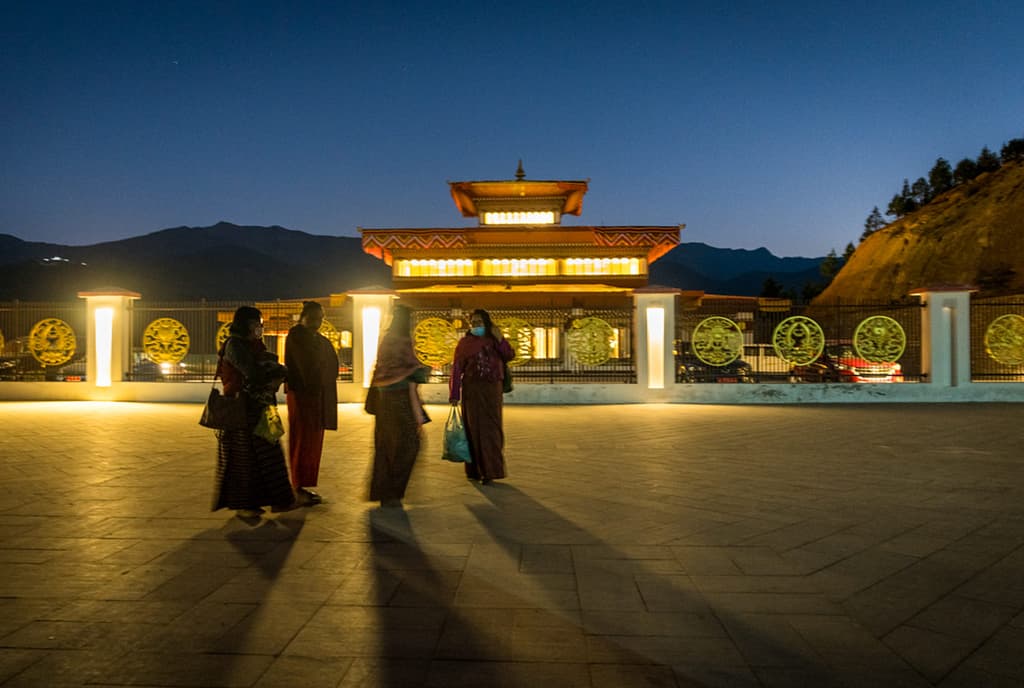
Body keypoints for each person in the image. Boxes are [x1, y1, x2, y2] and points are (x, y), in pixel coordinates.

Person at [212, 306, 295, 519]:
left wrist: (277, 370)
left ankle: (279, 500)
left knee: (272, 453)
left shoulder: (254, 345)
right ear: (248, 324)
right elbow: (253, 372)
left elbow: (270, 365)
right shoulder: (235, 346)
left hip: (265, 406)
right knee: (244, 458)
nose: (261, 327)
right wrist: (275, 370)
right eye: (258, 323)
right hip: (243, 409)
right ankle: (245, 505)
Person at [367, 305, 430, 507]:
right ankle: (394, 490)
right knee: (409, 445)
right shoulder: (404, 343)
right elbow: (413, 378)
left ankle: (381, 490)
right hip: (401, 400)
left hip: (383, 401)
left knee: (385, 445)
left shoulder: (385, 341)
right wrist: (418, 413)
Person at [448, 308, 514, 484]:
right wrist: (454, 393)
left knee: (492, 430)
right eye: (473, 323)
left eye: (479, 322)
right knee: (474, 429)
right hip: (472, 391)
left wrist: (500, 339)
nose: (476, 325)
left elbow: (509, 355)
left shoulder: (494, 341)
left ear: (487, 324)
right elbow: (456, 369)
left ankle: (491, 470)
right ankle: (476, 470)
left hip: (492, 391)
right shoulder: (465, 344)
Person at [285, 301, 339, 505]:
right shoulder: (296, 337)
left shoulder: (320, 340)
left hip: (318, 398)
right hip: (302, 397)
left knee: (313, 443)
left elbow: (332, 364)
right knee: (302, 440)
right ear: (303, 317)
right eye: (314, 317)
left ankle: (305, 484)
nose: (318, 322)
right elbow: (305, 366)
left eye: (321, 317)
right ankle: (297, 486)